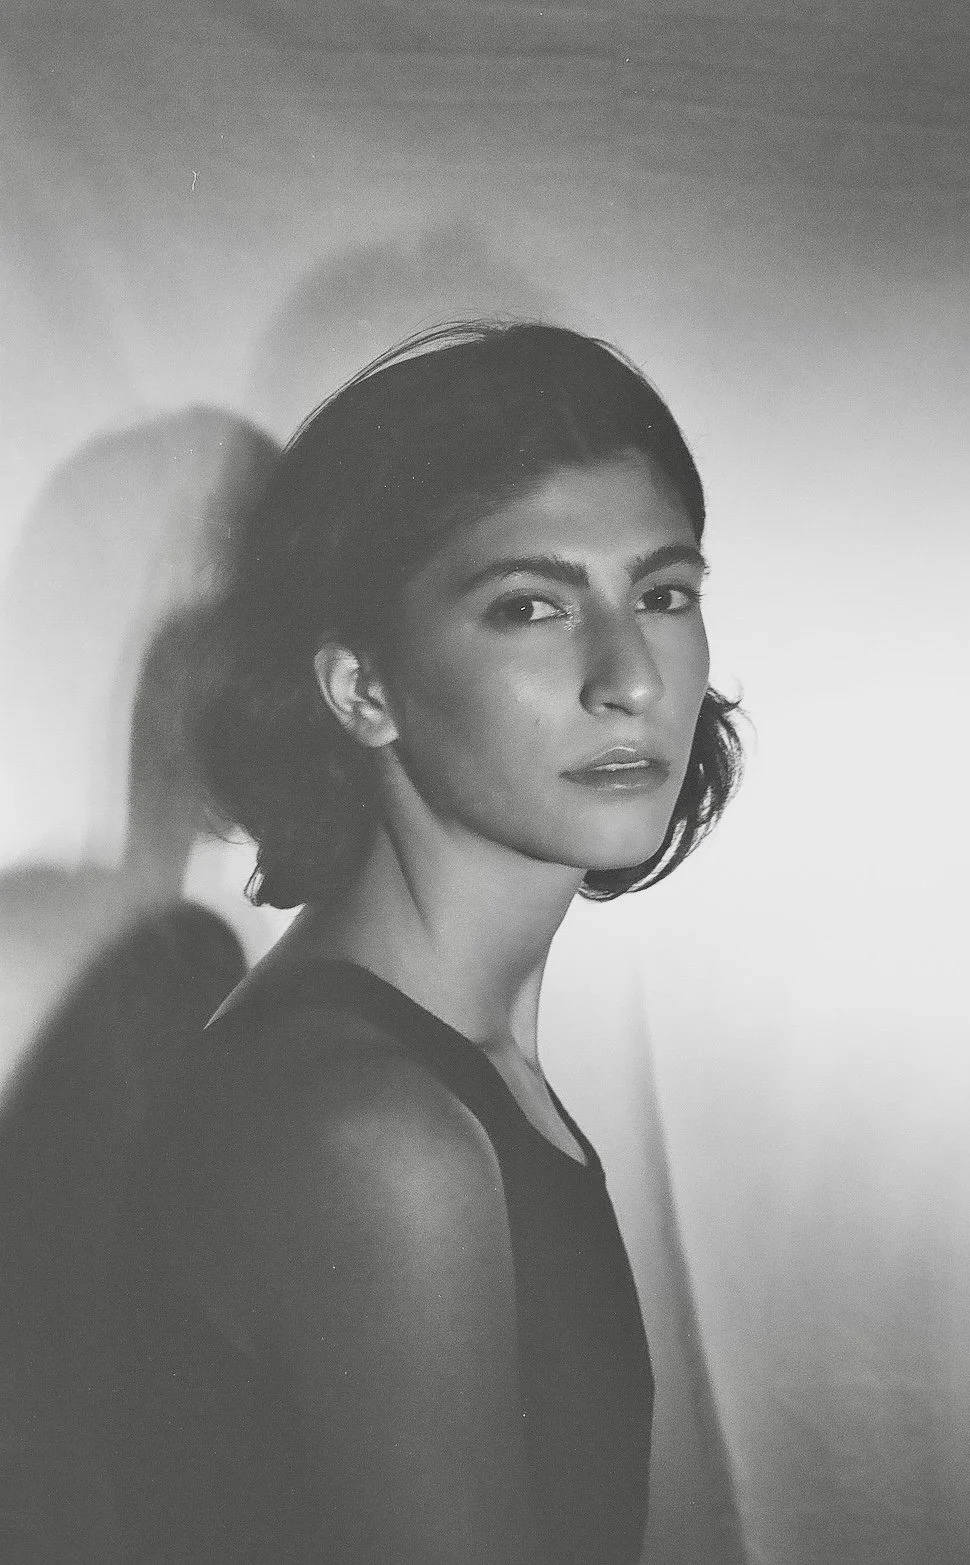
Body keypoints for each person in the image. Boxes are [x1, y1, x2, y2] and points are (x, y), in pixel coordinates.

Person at [101, 320, 743, 1564]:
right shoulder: (377, 1133)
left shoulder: (447, 1070)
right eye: (528, 605)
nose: (629, 677)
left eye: (661, 594)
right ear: (362, 689)